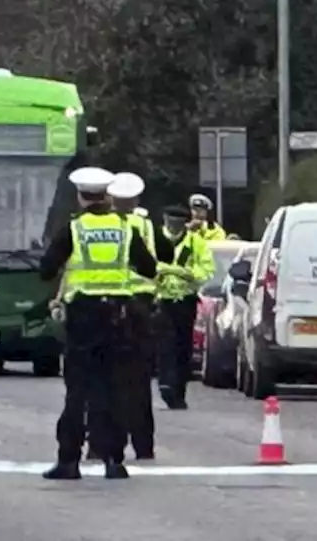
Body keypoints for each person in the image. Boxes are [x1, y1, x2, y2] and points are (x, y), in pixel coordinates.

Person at [39, 167, 158, 480]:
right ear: (107, 196)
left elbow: (46, 269)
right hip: (119, 315)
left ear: (81, 197)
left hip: (83, 317)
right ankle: (114, 461)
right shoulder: (124, 228)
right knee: (114, 388)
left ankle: (69, 461)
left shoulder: (74, 229)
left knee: (78, 390)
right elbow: (148, 267)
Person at [107, 171, 170, 461]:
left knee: (108, 380)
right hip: (143, 308)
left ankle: (106, 444)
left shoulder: (102, 225)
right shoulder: (147, 225)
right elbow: (164, 256)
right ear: (136, 199)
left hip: (109, 306)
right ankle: (144, 446)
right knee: (140, 382)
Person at [155, 205, 216, 410]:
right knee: (166, 345)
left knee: (183, 347)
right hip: (160, 300)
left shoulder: (195, 242)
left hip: (185, 300)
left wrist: (181, 272)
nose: (174, 226)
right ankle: (166, 385)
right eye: (171, 221)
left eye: (178, 222)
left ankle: (178, 391)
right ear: (164, 219)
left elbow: (207, 270)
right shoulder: (154, 239)